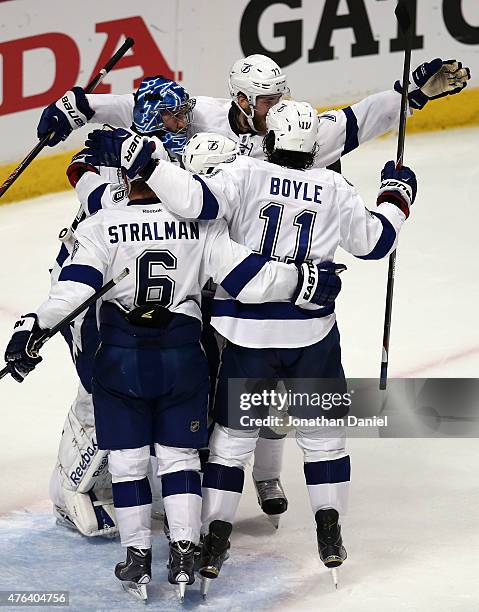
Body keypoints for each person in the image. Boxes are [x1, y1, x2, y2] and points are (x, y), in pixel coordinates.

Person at [36, 52, 468, 521]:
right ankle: (73, 488)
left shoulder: (291, 131)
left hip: (209, 278)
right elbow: (139, 108)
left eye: (280, 94)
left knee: (213, 384)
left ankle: (204, 483)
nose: (278, 104)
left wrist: (414, 94)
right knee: (104, 382)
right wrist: (81, 106)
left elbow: (356, 121)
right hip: (125, 274)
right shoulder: (202, 119)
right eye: (267, 98)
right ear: (241, 99)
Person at [80, 98, 417, 589]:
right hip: (313, 338)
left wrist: (144, 158)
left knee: (231, 442)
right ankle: (329, 534)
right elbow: (377, 241)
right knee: (323, 442)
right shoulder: (336, 186)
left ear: (274, 138)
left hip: (246, 336)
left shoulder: (245, 173)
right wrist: (396, 194)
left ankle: (213, 540)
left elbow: (195, 201)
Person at [3, 130, 343, 601]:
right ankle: (185, 551)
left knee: (127, 463)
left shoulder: (101, 224)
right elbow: (248, 277)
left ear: (125, 176)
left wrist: (29, 328)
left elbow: (72, 290)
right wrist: (306, 280)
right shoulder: (201, 226)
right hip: (183, 358)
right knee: (181, 458)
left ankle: (137, 557)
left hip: (121, 360)